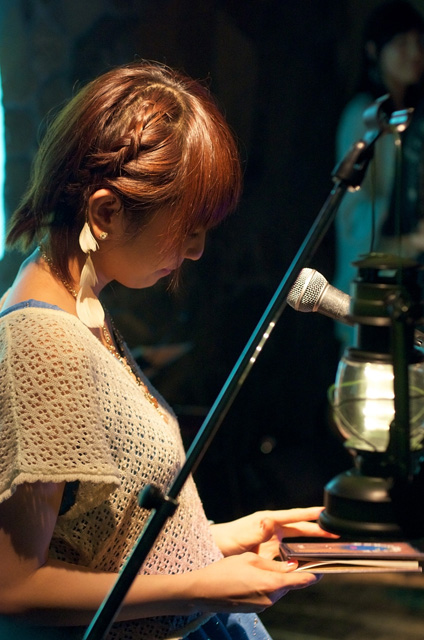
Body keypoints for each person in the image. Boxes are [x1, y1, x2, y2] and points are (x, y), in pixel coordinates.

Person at [0, 60, 334, 640]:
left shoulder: (82, 308)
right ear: (106, 212)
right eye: (188, 228)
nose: (197, 250)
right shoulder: (43, 344)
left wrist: (226, 537)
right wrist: (202, 586)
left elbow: (107, 543)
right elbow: (15, 588)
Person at [333, 0, 424, 350]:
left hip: (409, 282)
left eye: (418, 43)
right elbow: (352, 214)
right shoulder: (364, 116)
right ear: (374, 50)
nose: (415, 54)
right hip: (374, 286)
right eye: (401, 43)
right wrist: (409, 228)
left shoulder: (411, 120)